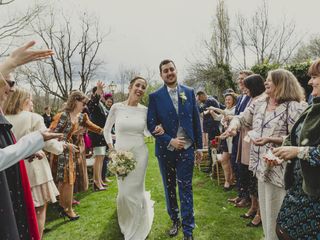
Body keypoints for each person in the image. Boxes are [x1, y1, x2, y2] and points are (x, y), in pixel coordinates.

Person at [222, 69, 307, 240]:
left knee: (278, 213)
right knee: (267, 211)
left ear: (282, 84)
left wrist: (271, 139)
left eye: (270, 80)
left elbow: (299, 140)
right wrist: (233, 127)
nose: (265, 83)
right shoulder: (259, 103)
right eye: (266, 80)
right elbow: (241, 118)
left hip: (281, 170)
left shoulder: (295, 107)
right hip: (261, 167)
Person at [0, 41, 62, 240]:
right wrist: (41, 140)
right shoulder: (34, 118)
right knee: (36, 212)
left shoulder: (5, 117)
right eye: (9, 83)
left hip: (16, 175)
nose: (9, 89)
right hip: (29, 172)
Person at [147, 59, 203, 240]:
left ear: (176, 70)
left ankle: (188, 230)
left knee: (185, 188)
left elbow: (196, 120)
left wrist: (199, 147)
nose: (169, 72)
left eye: (171, 69)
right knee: (169, 187)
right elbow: (151, 123)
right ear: (161, 75)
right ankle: (175, 220)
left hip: (186, 149)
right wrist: (169, 140)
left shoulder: (189, 92)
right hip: (166, 151)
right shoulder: (155, 97)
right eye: (165, 71)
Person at [104, 76, 163, 240]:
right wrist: (111, 149)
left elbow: (148, 132)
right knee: (123, 193)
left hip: (139, 154)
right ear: (130, 87)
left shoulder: (145, 110)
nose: (140, 89)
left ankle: (138, 224)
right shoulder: (116, 107)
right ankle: (126, 220)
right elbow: (106, 130)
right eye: (137, 85)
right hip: (120, 155)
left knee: (136, 191)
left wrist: (157, 129)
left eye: (143, 87)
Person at [4, 88, 66, 239]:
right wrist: (60, 147)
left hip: (12, 168)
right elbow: (49, 143)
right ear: (25, 100)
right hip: (35, 170)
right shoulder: (34, 117)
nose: (32, 103)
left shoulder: (5, 118)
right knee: (39, 209)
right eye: (31, 100)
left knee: (18, 210)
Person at [273, 59, 320, 239]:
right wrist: (282, 152)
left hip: (315, 197)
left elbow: (301, 147)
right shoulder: (313, 107)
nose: (309, 82)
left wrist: (299, 152)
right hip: (300, 189)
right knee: (283, 230)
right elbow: (297, 137)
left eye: (315, 77)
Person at [50, 91, 103, 221]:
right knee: (66, 181)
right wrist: (64, 144)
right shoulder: (62, 116)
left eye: (85, 103)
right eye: (83, 103)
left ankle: (64, 207)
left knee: (68, 180)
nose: (84, 105)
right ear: (74, 101)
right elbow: (50, 135)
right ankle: (68, 209)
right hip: (60, 151)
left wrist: (107, 133)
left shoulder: (81, 117)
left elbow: (94, 127)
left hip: (71, 152)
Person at [208, 92, 237, 190]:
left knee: (233, 161)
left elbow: (225, 114)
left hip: (233, 137)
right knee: (224, 159)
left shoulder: (235, 109)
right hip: (225, 137)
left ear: (233, 100)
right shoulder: (226, 109)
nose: (227, 101)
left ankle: (232, 180)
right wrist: (211, 112)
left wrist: (215, 108)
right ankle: (227, 181)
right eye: (226, 100)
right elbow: (217, 117)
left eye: (229, 99)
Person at [87, 82, 109, 190]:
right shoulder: (93, 103)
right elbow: (92, 105)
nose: (102, 94)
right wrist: (98, 91)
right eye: (100, 92)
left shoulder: (101, 105)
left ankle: (99, 179)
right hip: (96, 135)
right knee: (98, 158)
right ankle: (96, 182)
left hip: (102, 134)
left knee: (101, 157)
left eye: (102, 92)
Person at [196, 90, 221, 172]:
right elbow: (202, 112)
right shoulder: (209, 100)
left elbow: (199, 110)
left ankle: (212, 167)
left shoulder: (209, 100)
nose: (199, 100)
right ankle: (212, 166)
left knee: (213, 146)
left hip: (213, 127)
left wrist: (196, 102)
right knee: (212, 145)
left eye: (199, 98)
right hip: (212, 127)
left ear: (202, 95)